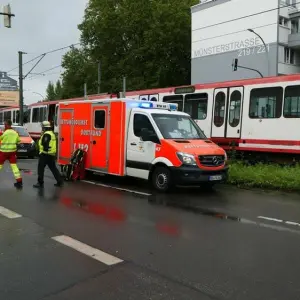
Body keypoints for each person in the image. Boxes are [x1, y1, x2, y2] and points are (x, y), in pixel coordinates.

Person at [33, 121, 64, 188]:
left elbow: (45, 143)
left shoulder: (46, 134)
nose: (42, 128)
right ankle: (60, 181)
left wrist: (43, 150)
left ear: (44, 127)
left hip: (45, 154)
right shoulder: (51, 133)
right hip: (51, 154)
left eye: (42, 127)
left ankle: (40, 183)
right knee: (53, 168)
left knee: (40, 168)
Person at [0, 120, 23, 188]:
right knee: (14, 167)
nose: (4, 126)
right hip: (12, 152)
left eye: (5, 124)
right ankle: (19, 181)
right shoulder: (15, 133)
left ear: (7, 125)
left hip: (3, 152)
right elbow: (18, 142)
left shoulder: (4, 133)